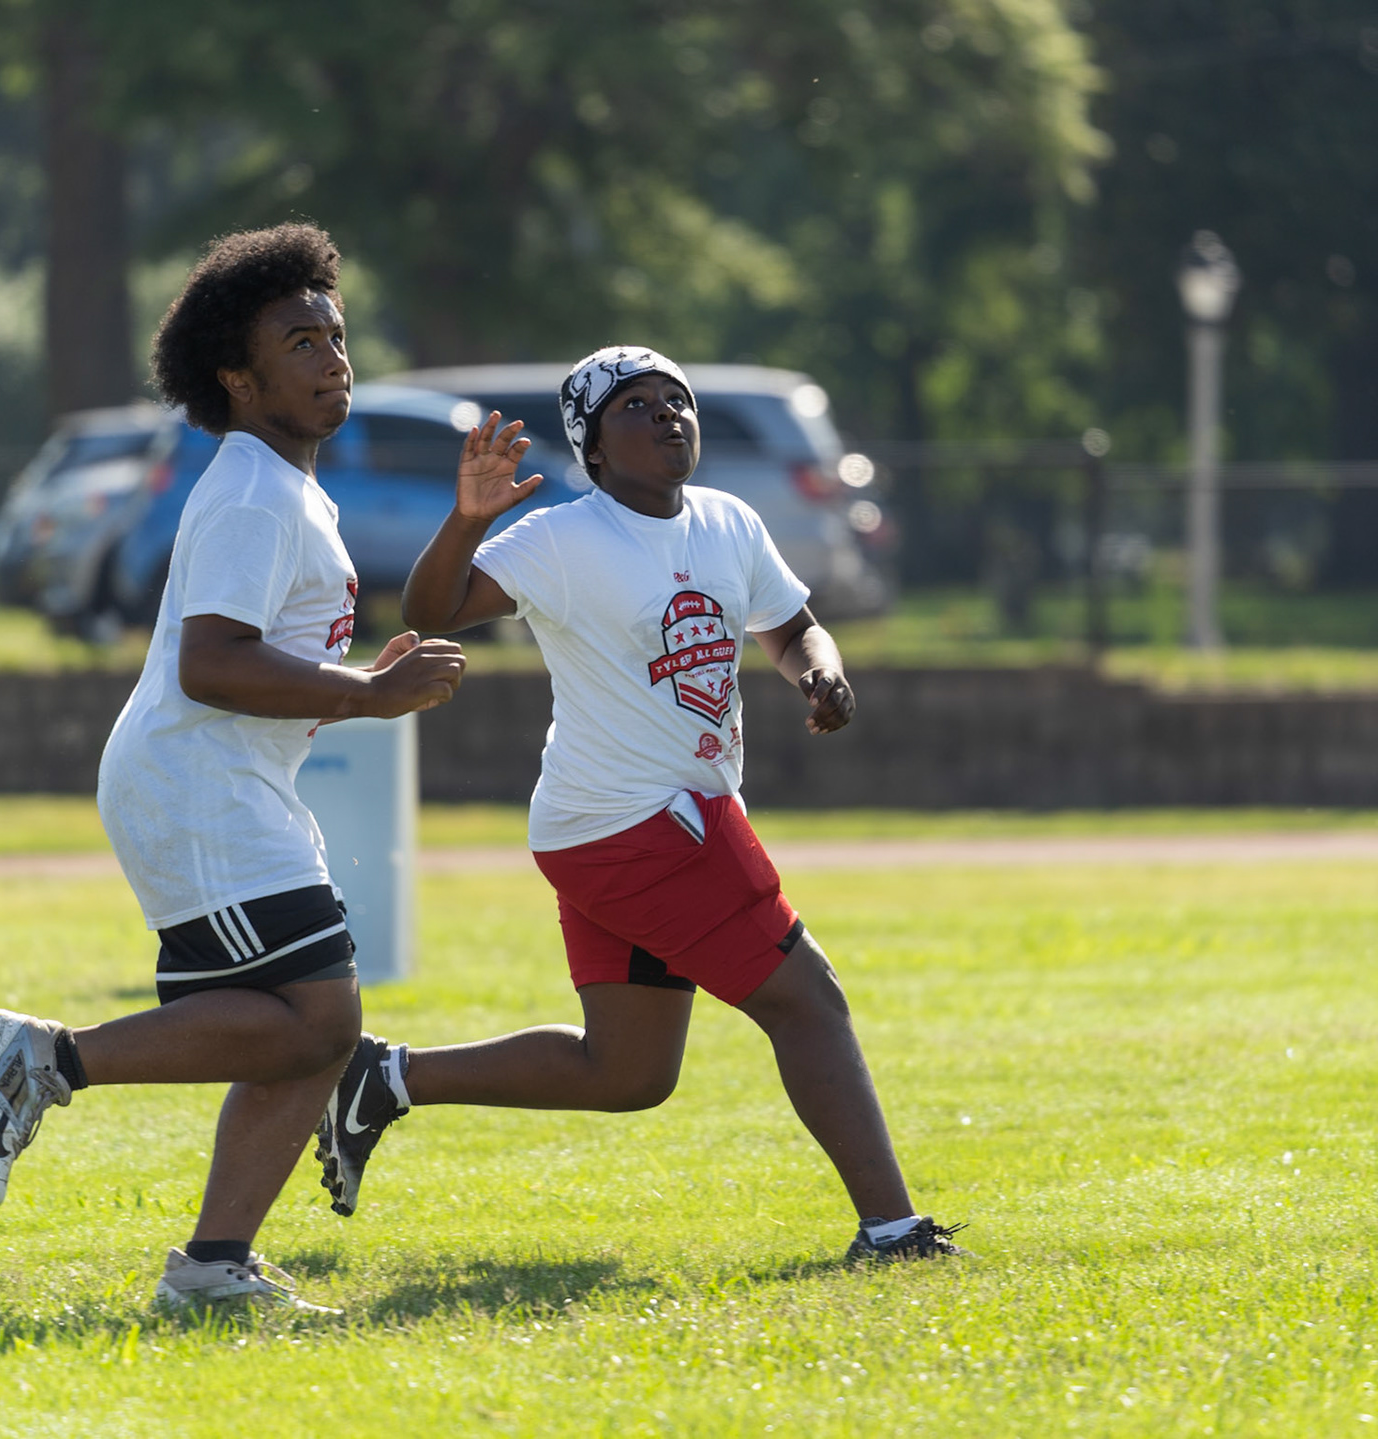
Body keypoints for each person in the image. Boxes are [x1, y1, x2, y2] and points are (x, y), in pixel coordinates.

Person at [315, 345, 966, 1263]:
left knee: (627, 1071)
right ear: (592, 445)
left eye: (677, 399)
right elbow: (434, 607)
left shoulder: (730, 521)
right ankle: (892, 1231)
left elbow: (791, 626)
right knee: (809, 999)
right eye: (636, 405)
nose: (667, 414)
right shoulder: (563, 537)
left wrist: (820, 672)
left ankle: (382, 1077)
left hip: (627, 824)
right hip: (640, 824)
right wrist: (466, 520)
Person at [0, 223, 467, 1313]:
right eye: (300, 344)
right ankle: (46, 1059)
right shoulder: (252, 492)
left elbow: (255, 657)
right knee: (322, 1022)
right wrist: (366, 693)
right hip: (199, 787)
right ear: (238, 378)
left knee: (305, 1035)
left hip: (225, 786)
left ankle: (211, 1267)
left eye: (335, 336)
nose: (332, 359)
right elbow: (213, 662)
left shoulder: (284, 485)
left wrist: (356, 682)